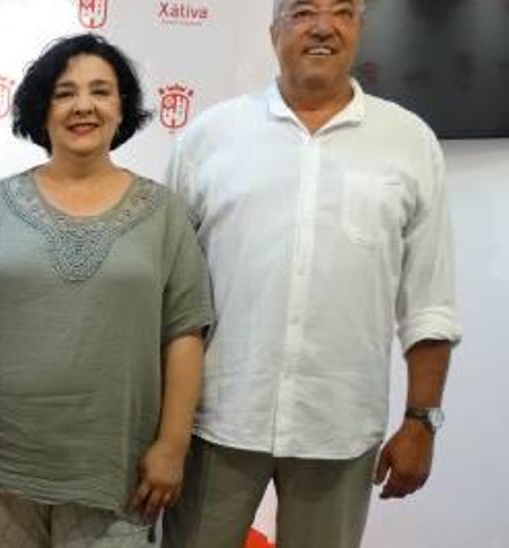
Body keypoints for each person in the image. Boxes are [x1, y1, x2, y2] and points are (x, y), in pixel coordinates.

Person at [160, 1, 461, 546]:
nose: (323, 26)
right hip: (217, 422)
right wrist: (163, 425)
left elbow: (429, 302)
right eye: (303, 12)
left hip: (340, 427)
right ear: (273, 30)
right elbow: (168, 296)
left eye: (342, 11)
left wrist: (422, 420)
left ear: (360, 29)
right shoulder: (209, 138)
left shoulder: (410, 142)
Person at [0, 33, 213, 547]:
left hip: (116, 469)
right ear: (42, 108)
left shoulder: (164, 213)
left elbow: (185, 334)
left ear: (121, 108)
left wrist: (173, 446)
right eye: (65, 92)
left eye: (101, 91)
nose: (83, 105)